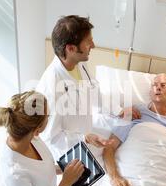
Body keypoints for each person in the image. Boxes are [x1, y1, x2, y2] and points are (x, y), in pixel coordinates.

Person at [36, 15, 140, 160]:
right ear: (71, 48)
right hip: (67, 153)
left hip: (86, 139)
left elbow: (94, 92)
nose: (93, 45)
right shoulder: (51, 87)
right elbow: (51, 138)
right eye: (88, 42)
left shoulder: (80, 64)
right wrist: (84, 138)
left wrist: (119, 110)